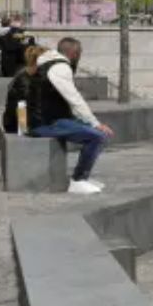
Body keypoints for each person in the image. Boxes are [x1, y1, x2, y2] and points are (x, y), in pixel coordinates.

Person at [28, 38, 115, 196]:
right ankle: (78, 180)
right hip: (44, 124)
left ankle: (83, 178)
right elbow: (74, 99)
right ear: (74, 54)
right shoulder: (60, 67)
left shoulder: (48, 63)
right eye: (79, 53)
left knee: (93, 131)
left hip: (45, 119)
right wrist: (95, 123)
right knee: (98, 136)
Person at [1, 42, 46, 136]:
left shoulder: (25, 73)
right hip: (17, 126)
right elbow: (22, 106)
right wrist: (24, 131)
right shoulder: (25, 80)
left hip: (15, 123)